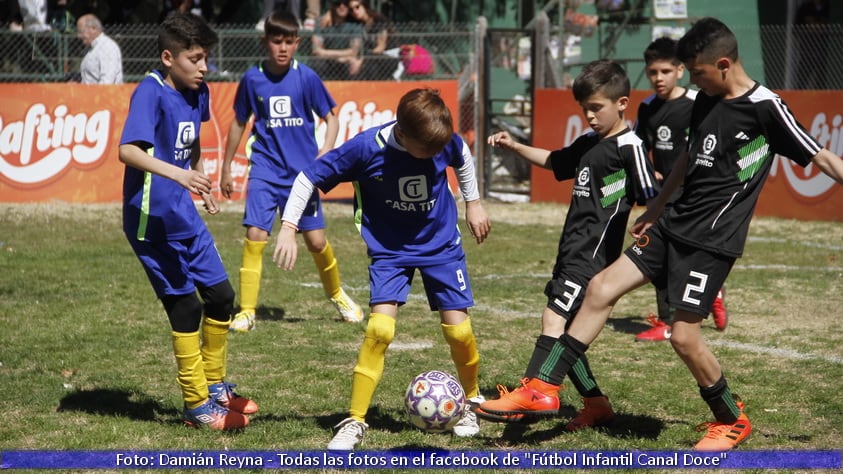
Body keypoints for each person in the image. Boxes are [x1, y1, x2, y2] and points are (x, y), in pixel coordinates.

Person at [478, 17, 843, 451]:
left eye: (698, 72)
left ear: (723, 64)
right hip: (671, 226)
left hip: (710, 242)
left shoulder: (765, 106)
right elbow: (688, 158)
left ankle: (731, 419)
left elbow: (821, 158)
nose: (692, 80)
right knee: (599, 288)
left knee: (685, 337)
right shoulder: (706, 100)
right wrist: (654, 209)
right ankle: (543, 387)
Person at [272, 88, 492, 450]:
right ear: (403, 135)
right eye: (429, 151)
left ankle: (470, 402)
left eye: (440, 148)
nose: (437, 155)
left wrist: (474, 203)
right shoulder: (365, 149)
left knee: (459, 332)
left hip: (441, 245)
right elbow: (307, 178)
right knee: (379, 330)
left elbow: (462, 156)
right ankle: (355, 420)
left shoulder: (441, 139)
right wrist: (289, 227)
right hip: (390, 250)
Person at [475, 59, 658, 431]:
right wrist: (516, 146)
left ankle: (529, 396)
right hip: (571, 249)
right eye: (584, 109)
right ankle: (596, 404)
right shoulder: (590, 143)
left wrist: (648, 225)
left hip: (593, 256)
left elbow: (652, 194)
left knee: (553, 318)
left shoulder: (629, 146)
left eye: (596, 108)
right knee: (568, 331)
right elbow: (556, 161)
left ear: (622, 103)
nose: (589, 116)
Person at [118, 12, 257, 431]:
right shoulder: (150, 91)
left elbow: (191, 141)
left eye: (206, 58)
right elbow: (128, 151)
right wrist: (179, 174)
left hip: (183, 213)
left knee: (220, 296)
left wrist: (201, 182)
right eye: (195, 59)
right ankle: (197, 405)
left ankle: (215, 387)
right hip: (150, 221)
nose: (203, 67)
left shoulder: (199, 91)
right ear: (167, 57)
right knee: (186, 305)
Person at [220, 9, 362, 333]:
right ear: (265, 41)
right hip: (265, 170)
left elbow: (332, 116)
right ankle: (246, 311)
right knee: (255, 234)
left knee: (315, 241)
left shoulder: (306, 78)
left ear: (297, 43)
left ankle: (338, 295)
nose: (282, 48)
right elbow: (239, 122)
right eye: (276, 41)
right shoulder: (252, 78)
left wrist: (326, 149)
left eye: (288, 41)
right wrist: (227, 167)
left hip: (303, 175)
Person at [633, 37, 727, 342]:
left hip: (694, 194)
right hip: (663, 195)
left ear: (679, 71)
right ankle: (666, 320)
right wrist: (650, 173)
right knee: (660, 254)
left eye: (664, 71)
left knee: (687, 256)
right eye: (652, 73)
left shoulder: (696, 104)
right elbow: (637, 149)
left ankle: (712, 292)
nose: (658, 78)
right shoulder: (647, 108)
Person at [310, 0, 362, 80]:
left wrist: (324, 52)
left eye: (345, 3)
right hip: (327, 61)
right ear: (332, 6)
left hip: (344, 61)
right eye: (338, 3)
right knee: (318, 63)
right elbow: (316, 50)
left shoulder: (355, 23)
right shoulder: (322, 21)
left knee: (353, 64)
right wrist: (339, 57)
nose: (342, 6)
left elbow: (354, 51)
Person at [347, 0, 399, 80]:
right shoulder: (360, 25)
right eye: (351, 9)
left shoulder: (378, 21)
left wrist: (361, 60)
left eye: (357, 7)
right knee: (369, 64)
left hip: (388, 57)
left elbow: (381, 47)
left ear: (364, 6)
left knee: (370, 63)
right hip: (372, 58)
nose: (355, 11)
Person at [76, 13, 123, 84]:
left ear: (93, 28)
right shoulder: (90, 49)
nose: (78, 36)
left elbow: (107, 81)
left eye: (81, 31)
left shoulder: (107, 47)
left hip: (103, 94)